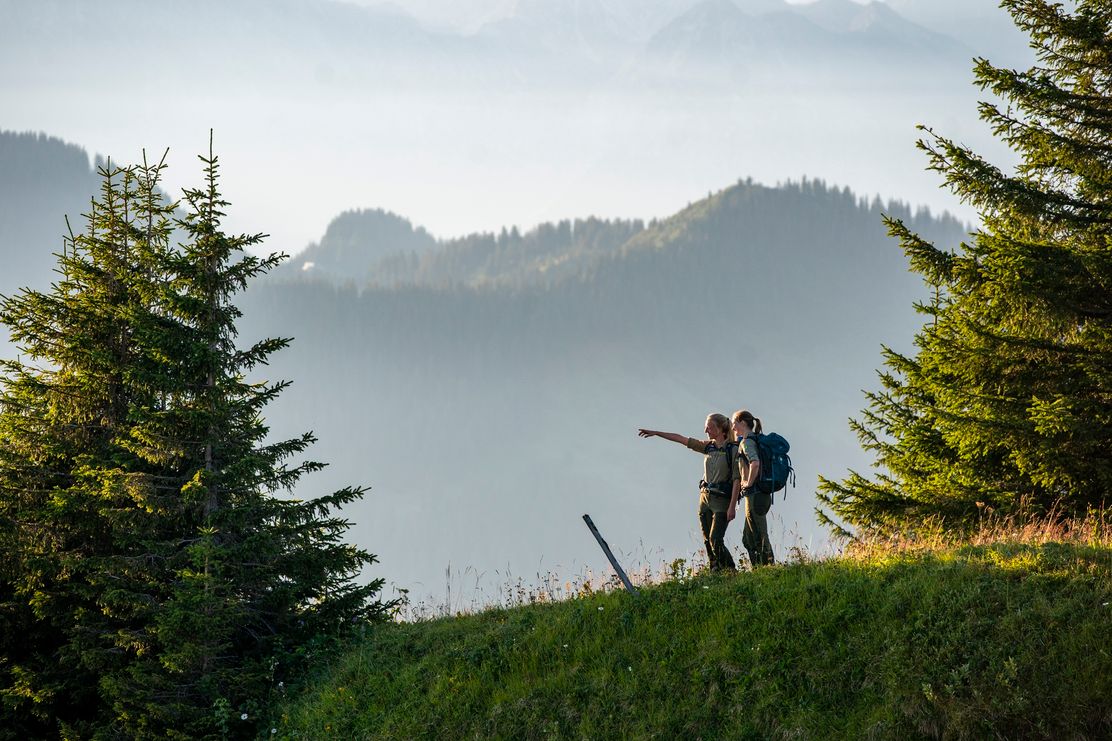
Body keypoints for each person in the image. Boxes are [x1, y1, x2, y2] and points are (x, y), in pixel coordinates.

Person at [638, 414, 739, 571]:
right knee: (707, 540)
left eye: (709, 427)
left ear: (720, 429)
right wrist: (656, 433)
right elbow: (681, 439)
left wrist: (732, 506)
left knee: (716, 539)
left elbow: (737, 480)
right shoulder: (708, 446)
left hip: (722, 501)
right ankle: (715, 569)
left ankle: (730, 570)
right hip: (705, 498)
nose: (706, 430)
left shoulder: (732, 449)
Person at [732, 409, 775, 567]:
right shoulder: (755, 439)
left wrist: (748, 483)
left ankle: (770, 570)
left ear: (743, 423)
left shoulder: (746, 442)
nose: (733, 428)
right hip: (759, 495)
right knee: (748, 538)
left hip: (755, 495)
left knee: (760, 536)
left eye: (734, 424)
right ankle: (758, 570)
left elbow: (755, 463)